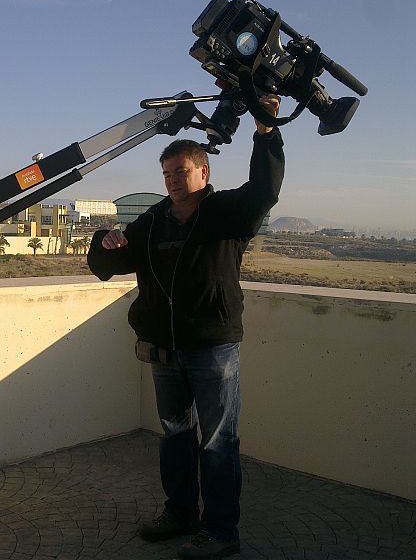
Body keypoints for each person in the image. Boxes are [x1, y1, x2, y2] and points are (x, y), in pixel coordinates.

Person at [87, 95, 283, 559]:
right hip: (163, 352)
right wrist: (105, 240)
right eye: (168, 174)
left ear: (204, 173)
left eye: (182, 172)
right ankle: (180, 514)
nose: (174, 181)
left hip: (212, 350)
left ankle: (220, 531)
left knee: (218, 442)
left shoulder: (229, 214)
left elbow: (266, 188)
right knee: (175, 437)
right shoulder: (153, 222)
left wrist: (267, 132)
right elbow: (104, 265)